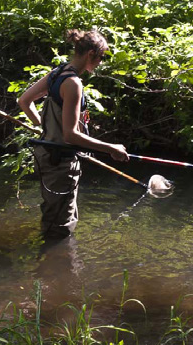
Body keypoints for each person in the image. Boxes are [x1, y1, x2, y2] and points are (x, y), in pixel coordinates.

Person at [17, 29, 129, 239]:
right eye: (102, 57)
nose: (101, 63)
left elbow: (24, 101)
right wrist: (111, 148)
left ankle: (50, 260)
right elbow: (70, 135)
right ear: (90, 55)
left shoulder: (57, 73)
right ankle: (55, 264)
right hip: (61, 163)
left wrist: (45, 127)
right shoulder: (73, 84)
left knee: (52, 214)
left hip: (46, 155)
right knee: (61, 226)